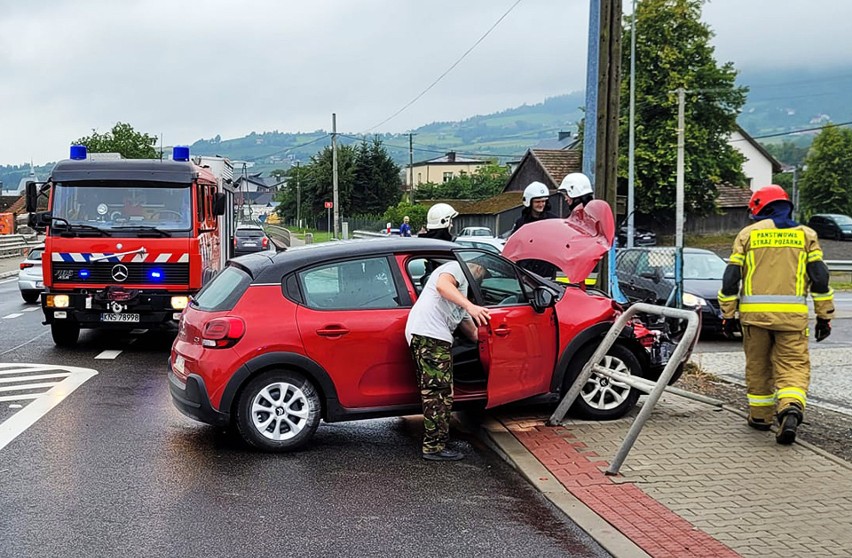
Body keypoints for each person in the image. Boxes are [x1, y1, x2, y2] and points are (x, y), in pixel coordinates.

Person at [717, 184, 834, 444]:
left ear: (759, 207)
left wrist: (728, 314)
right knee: (793, 367)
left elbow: (730, 279)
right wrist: (824, 316)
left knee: (758, 367)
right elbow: (820, 278)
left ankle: (760, 418)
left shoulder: (748, 235)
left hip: (754, 320)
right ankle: (790, 406)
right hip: (792, 320)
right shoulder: (806, 235)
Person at [405, 255, 491, 461]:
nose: (479, 278)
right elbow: (443, 286)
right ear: (476, 268)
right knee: (438, 393)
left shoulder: (461, 297)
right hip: (429, 336)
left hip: (433, 338)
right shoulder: (456, 268)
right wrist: (471, 306)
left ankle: (439, 439)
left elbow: (472, 333)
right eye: (481, 274)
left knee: (443, 391)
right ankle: (433, 447)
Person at [510, 181, 558, 278]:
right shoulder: (521, 223)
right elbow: (513, 245)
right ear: (529, 202)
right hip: (526, 272)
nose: (541, 205)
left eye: (543, 201)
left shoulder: (554, 221)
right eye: (537, 202)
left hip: (547, 271)